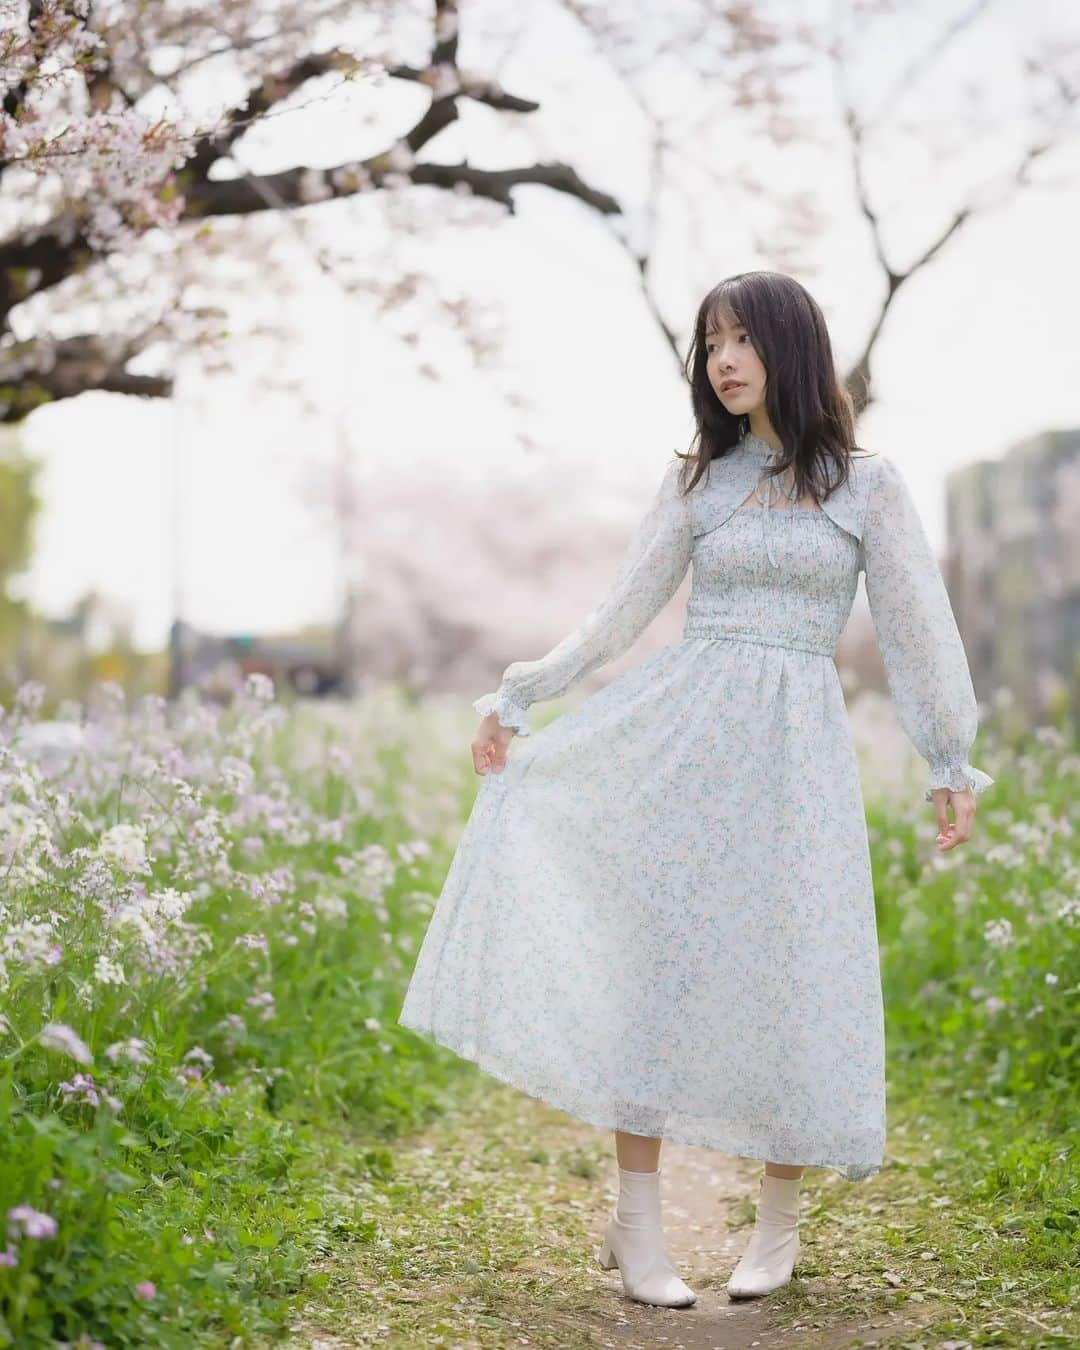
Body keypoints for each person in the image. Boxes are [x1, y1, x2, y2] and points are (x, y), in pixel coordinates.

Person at [397, 270, 994, 1310]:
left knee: (793, 970)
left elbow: (916, 625)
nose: (722, 360)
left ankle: (777, 1228)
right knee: (659, 970)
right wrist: (525, 692)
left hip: (798, 759)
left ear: (790, 347)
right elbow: (622, 610)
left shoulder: (867, 484)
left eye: (741, 340)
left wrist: (950, 758)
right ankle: (638, 1233)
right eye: (710, 342)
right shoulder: (697, 484)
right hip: (681, 744)